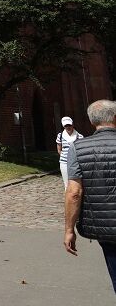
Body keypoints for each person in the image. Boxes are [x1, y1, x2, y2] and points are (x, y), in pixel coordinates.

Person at [64, 99, 116, 292]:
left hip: (106, 227)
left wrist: (69, 229)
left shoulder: (78, 148)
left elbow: (74, 192)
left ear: (92, 122)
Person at [57, 117, 83, 189]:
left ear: (72, 125)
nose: (68, 127)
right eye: (66, 126)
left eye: (69, 125)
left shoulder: (79, 136)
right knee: (66, 183)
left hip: (76, 162)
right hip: (64, 162)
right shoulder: (60, 136)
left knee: (77, 182)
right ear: (63, 126)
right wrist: (64, 157)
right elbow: (59, 149)